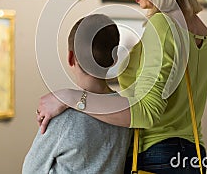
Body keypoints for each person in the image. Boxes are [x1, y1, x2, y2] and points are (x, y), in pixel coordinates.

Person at [36, 0, 207, 174]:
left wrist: (70, 97)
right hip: (192, 153)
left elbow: (147, 112)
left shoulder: (162, 25)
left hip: (157, 156)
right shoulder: (202, 31)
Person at [23, 14, 131, 174]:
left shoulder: (63, 117)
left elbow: (30, 170)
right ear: (114, 59)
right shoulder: (125, 113)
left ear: (71, 57)